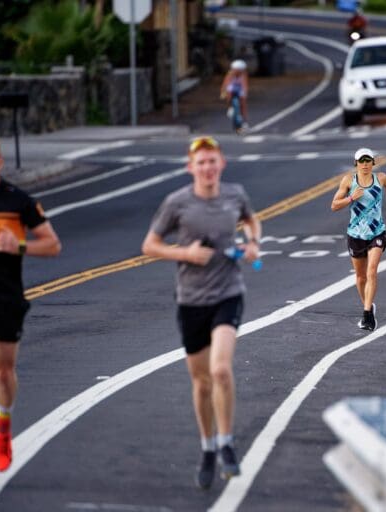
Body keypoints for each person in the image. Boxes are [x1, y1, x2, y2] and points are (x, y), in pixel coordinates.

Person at [141, 135, 261, 489]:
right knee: (201, 381)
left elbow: (252, 221)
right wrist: (185, 254)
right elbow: (149, 245)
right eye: (201, 162)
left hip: (228, 293)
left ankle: (226, 443)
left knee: (221, 370)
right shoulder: (176, 203)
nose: (208, 168)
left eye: (213, 161)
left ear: (221, 164)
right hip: (191, 299)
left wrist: (253, 243)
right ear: (190, 167)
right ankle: (207, 447)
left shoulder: (235, 195)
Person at [0, 132, 61, 473]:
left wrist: (21, 247)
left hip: (4, 296)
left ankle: (3, 427)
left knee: (2, 372)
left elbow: (53, 245)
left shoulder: (18, 201)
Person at [331, 148, 386, 331]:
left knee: (371, 271)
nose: (366, 164)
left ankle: (367, 314)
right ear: (356, 163)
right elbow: (334, 205)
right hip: (355, 234)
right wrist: (351, 198)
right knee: (360, 278)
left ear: (373, 163)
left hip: (376, 232)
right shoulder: (349, 181)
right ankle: (368, 305)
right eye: (362, 161)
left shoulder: (381, 178)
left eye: (369, 161)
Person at [220, 60, 249, 133]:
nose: (237, 71)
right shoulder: (230, 74)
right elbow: (225, 84)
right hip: (232, 88)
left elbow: (244, 84)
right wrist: (223, 92)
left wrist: (244, 93)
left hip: (239, 89)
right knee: (229, 93)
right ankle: (230, 107)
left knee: (243, 102)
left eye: (239, 70)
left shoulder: (243, 75)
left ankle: (244, 121)